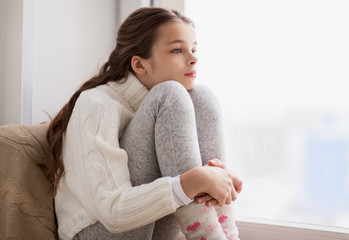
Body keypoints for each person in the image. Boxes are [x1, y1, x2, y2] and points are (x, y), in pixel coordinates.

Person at [47, 7, 242, 240]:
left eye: (194, 49)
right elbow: (113, 214)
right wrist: (189, 183)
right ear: (139, 65)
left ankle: (227, 235)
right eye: (177, 50)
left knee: (202, 97)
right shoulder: (98, 105)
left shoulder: (165, 107)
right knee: (170, 95)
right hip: (99, 231)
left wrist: (217, 181)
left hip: (151, 228)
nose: (193, 58)